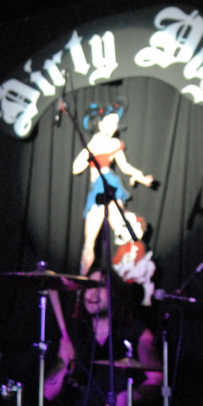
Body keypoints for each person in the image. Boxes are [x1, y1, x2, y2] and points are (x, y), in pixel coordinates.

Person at [44, 268, 162, 406]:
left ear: (115, 293)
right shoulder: (75, 335)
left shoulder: (137, 332)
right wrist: (65, 366)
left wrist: (128, 398)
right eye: (89, 287)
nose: (93, 293)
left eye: (100, 287)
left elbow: (157, 379)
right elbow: (48, 393)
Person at [72, 102, 154, 277]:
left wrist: (141, 177)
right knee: (89, 242)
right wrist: (90, 150)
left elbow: (125, 166)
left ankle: (135, 274)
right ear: (100, 123)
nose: (113, 127)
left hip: (110, 185)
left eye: (115, 123)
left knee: (125, 233)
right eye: (110, 122)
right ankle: (81, 280)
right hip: (98, 190)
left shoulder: (115, 143)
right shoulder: (94, 143)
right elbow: (76, 168)